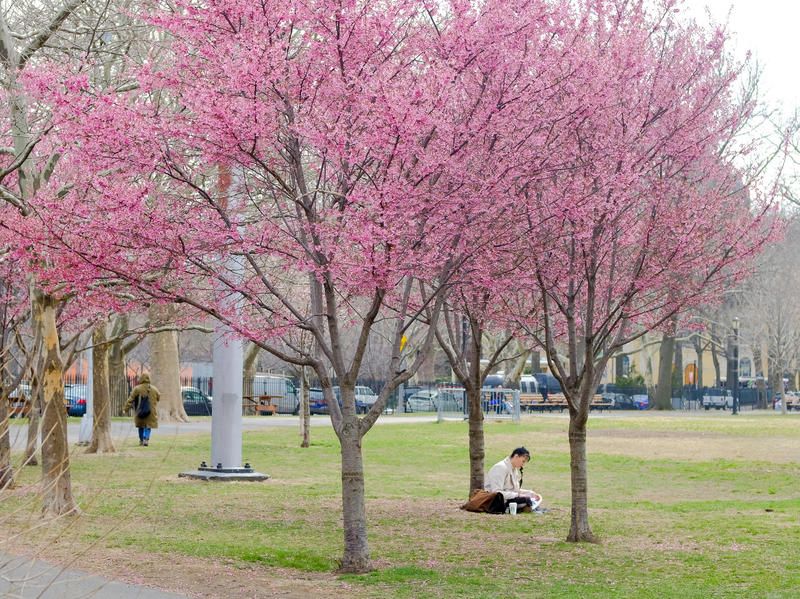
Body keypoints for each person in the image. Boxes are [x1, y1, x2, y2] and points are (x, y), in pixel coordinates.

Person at [485, 447, 542, 513]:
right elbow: (497, 493)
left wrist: (529, 493)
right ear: (516, 456)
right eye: (523, 461)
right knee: (526, 500)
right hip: (496, 502)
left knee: (530, 499)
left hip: (508, 498)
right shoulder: (500, 467)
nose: (523, 464)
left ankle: (526, 507)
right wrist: (518, 495)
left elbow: (514, 490)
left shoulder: (514, 469)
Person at [124, 373, 160, 446]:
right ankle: (146, 438)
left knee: (140, 426)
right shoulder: (154, 389)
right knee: (148, 426)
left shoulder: (137, 389)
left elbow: (130, 399)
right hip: (151, 411)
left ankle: (141, 440)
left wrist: (126, 409)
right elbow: (158, 397)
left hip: (140, 411)